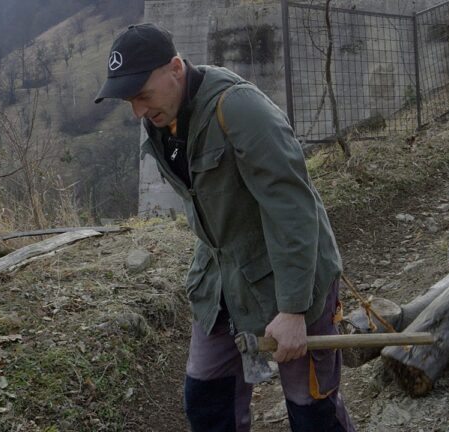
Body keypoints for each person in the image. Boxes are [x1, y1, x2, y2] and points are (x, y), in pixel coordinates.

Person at [95, 23, 355, 432]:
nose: (137, 111)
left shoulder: (239, 109)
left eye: (142, 95)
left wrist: (293, 310)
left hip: (292, 280)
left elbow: (293, 208)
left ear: (176, 68)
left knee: (312, 412)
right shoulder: (162, 121)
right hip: (220, 282)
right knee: (206, 401)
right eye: (130, 100)